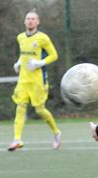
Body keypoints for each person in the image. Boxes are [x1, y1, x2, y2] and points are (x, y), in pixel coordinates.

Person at [8, 10, 61, 151]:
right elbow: (24, 54)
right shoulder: (20, 37)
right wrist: (18, 62)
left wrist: (39, 63)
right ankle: (17, 139)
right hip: (23, 80)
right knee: (20, 107)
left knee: (40, 110)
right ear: (24, 21)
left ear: (37, 22)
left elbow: (54, 55)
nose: (30, 21)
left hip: (38, 80)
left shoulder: (43, 38)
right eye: (28, 18)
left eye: (33, 19)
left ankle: (56, 132)